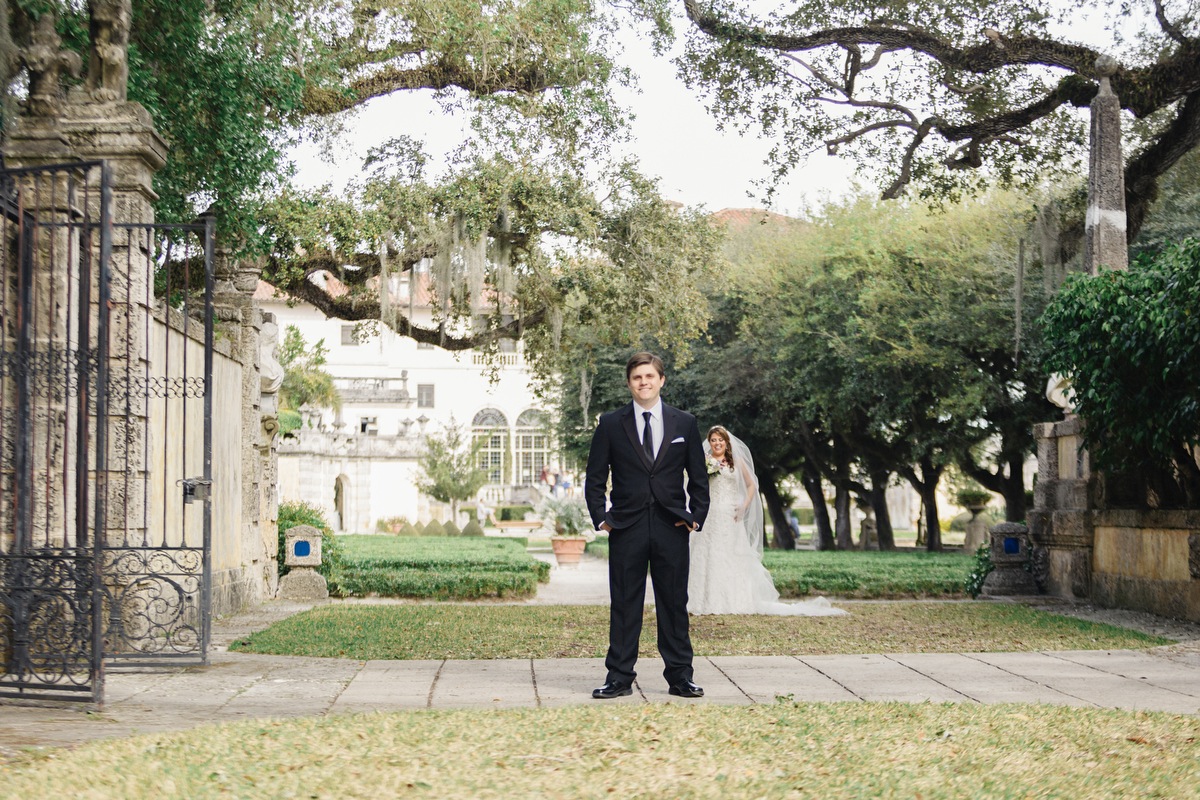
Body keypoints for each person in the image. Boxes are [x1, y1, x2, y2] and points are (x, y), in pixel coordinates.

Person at [585, 352, 710, 699]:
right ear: (629, 383)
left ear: (661, 380)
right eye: (637, 377)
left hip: (672, 525)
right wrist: (602, 518)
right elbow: (595, 478)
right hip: (626, 526)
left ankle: (681, 677)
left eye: (649, 376)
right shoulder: (611, 424)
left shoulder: (684, 422)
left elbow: (698, 478)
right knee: (625, 603)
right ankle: (619, 678)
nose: (644, 382)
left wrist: (695, 517)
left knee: (673, 603)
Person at [688, 426, 846, 617]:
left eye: (720, 440)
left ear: (726, 442)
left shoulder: (735, 462)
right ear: (709, 442)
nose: (717, 443)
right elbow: (695, 484)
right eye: (713, 440)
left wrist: (744, 505)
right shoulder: (705, 461)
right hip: (710, 513)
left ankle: (731, 599)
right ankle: (699, 599)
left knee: (729, 555)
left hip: (730, 515)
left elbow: (751, 484)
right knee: (705, 554)